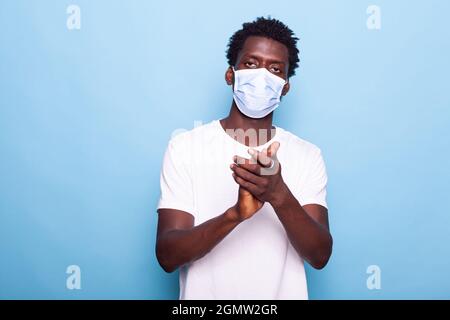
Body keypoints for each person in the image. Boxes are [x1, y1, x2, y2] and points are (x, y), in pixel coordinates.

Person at [156, 17, 333, 300]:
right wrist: (235, 215)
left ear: (285, 87)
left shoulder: (307, 155)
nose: (262, 76)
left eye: (275, 69)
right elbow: (167, 255)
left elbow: (320, 255)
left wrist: (279, 194)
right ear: (231, 75)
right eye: (251, 64)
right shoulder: (185, 147)